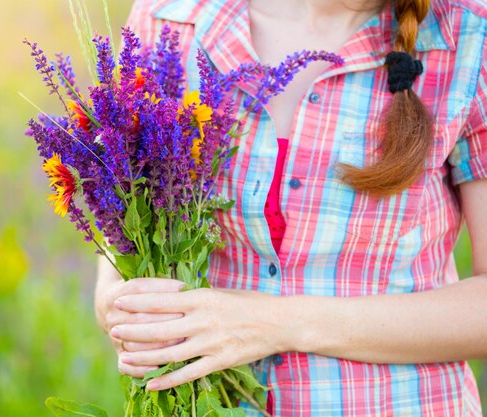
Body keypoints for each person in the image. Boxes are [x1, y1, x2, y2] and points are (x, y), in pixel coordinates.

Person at [94, 0, 487, 415]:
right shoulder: (169, 21)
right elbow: (114, 273)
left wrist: (275, 324)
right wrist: (133, 316)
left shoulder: (468, 39)